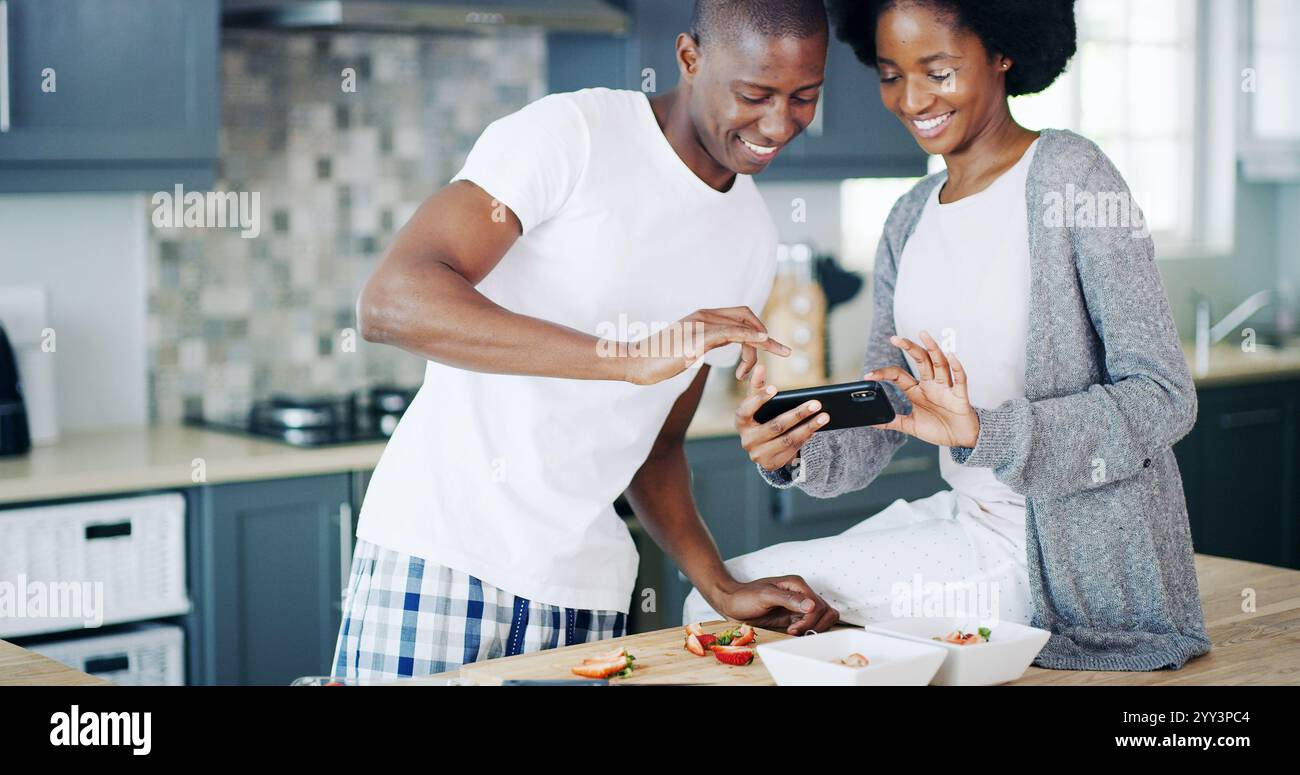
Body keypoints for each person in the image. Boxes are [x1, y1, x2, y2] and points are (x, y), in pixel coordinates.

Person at [687, 0, 1212, 671]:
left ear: (1002, 52)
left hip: (1057, 561)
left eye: (938, 72)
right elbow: (887, 409)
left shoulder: (1072, 178)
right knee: (732, 593)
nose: (912, 100)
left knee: (721, 605)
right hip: (961, 525)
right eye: (891, 75)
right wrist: (795, 442)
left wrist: (982, 432)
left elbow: (1163, 396)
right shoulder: (908, 218)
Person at [331, 0, 841, 683]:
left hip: (588, 597)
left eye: (803, 97)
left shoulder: (751, 237)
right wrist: (625, 359)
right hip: (442, 558)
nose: (779, 124)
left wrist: (719, 585)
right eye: (755, 95)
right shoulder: (573, 134)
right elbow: (391, 300)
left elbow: (656, 446)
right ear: (690, 59)